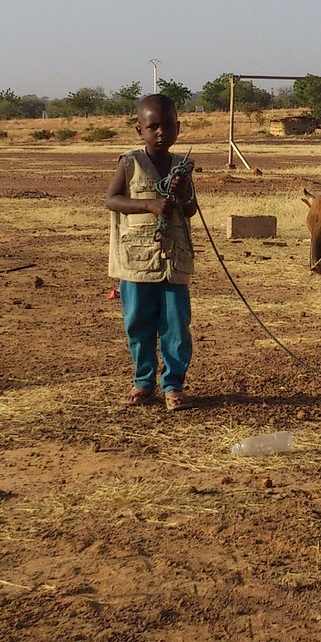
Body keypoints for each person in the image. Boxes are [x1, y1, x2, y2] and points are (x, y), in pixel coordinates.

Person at [105, 94, 200, 410]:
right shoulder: (129, 163)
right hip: (136, 262)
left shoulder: (181, 167)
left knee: (175, 327)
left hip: (174, 262)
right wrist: (148, 204)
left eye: (168, 125)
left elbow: (190, 211)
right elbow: (112, 200)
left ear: (179, 127)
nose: (161, 132)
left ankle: (173, 385)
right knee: (138, 323)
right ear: (139, 130)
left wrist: (184, 192)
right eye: (153, 126)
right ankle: (143, 383)